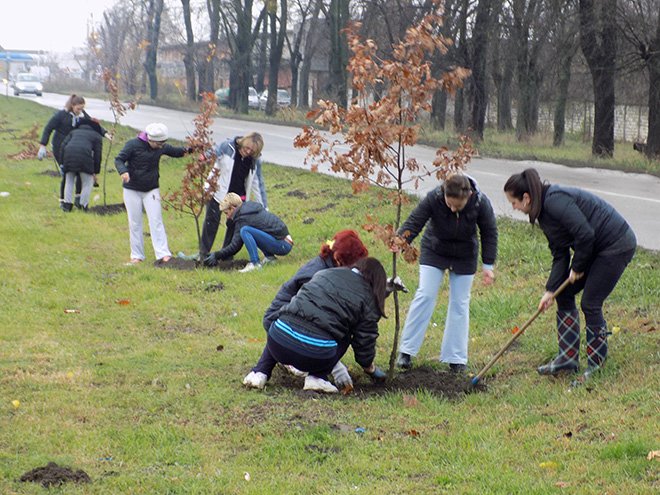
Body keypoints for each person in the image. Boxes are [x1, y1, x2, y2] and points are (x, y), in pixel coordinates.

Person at [503, 168, 636, 385]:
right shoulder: (541, 212)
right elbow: (559, 253)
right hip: (594, 246)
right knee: (562, 294)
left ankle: (596, 366)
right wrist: (550, 290)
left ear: (526, 198)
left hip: (615, 243)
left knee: (590, 302)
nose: (514, 207)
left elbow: (585, 234)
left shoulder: (554, 201)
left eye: (514, 202)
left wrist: (578, 266)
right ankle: (568, 358)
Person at [395, 173, 498, 372]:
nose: (452, 209)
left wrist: (488, 265)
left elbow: (489, 231)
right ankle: (406, 351)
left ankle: (456, 358)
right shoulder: (435, 197)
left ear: (468, 195)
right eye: (449, 204)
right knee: (425, 294)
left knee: (460, 303)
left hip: (465, 254)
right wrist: (401, 241)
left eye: (457, 206)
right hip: (435, 249)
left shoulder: (480, 203)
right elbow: (416, 220)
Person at [243, 257, 388, 393]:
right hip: (314, 356)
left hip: (277, 342)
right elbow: (364, 341)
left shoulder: (325, 273)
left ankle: (259, 373)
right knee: (345, 334)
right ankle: (317, 377)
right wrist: (370, 369)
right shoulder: (368, 299)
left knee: (287, 323)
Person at [262, 229, 370, 389]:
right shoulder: (317, 276)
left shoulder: (324, 267)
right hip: (284, 327)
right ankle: (315, 374)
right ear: (340, 260)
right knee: (344, 329)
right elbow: (317, 320)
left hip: (280, 333)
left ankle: (259, 372)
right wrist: (336, 365)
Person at [114, 123, 190, 264]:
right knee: (135, 222)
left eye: (163, 143)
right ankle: (136, 255)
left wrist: (192, 148)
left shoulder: (161, 147)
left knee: (156, 221)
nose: (161, 146)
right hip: (132, 189)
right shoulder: (132, 144)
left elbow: (178, 151)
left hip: (151, 189)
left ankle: (163, 254)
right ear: (150, 139)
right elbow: (119, 159)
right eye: (159, 143)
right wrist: (123, 171)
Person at [38, 94, 112, 209]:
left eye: (81, 109)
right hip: (60, 147)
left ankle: (77, 199)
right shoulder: (61, 115)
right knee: (67, 173)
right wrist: (43, 145)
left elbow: (93, 124)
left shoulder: (82, 115)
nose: (79, 111)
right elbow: (48, 128)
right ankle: (63, 201)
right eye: (78, 109)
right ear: (72, 106)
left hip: (74, 145)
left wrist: (105, 133)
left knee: (78, 172)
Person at [200, 133, 268, 258]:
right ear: (242, 143)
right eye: (246, 148)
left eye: (251, 151)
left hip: (238, 196)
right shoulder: (227, 147)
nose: (247, 152)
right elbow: (214, 154)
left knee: (233, 225)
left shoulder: (254, 160)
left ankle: (226, 256)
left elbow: (258, 183)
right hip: (217, 192)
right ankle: (204, 254)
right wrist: (204, 157)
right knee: (211, 222)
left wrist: (265, 208)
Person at [204, 193, 292, 272]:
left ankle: (255, 264)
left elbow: (235, 246)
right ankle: (270, 258)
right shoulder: (247, 209)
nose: (227, 217)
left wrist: (217, 255)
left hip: (283, 245)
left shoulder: (243, 218)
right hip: (285, 241)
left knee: (245, 230)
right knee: (254, 231)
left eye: (226, 213)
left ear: (233, 208)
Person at [58, 118, 104, 212]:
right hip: (84, 158)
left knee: (69, 180)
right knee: (87, 182)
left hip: (68, 156)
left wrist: (62, 162)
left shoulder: (74, 132)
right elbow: (97, 155)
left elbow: (63, 145)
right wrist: (95, 171)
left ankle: (67, 205)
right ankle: (83, 205)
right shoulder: (97, 136)